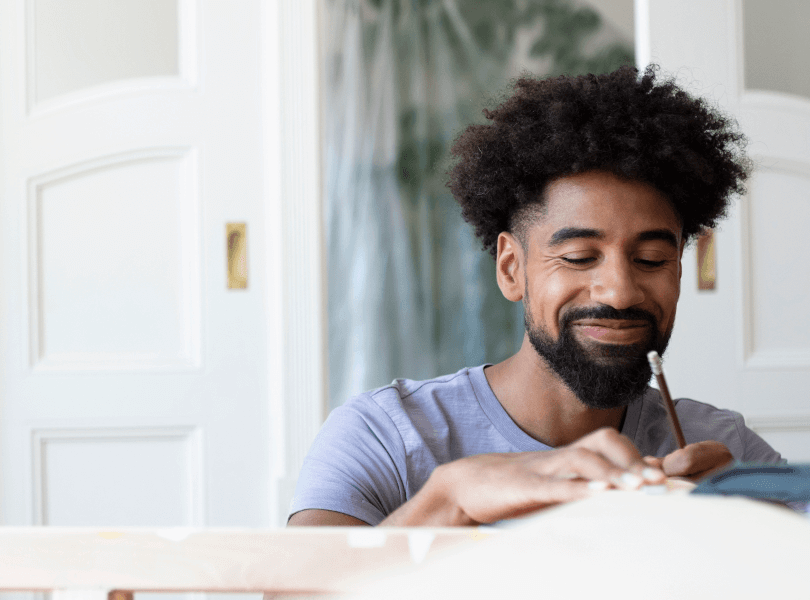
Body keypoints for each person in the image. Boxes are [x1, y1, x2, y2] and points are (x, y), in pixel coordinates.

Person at [290, 66, 782, 527]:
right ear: (511, 268)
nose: (619, 292)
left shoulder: (727, 452)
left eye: (651, 259)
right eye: (578, 257)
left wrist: (752, 532)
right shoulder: (386, 437)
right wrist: (448, 500)